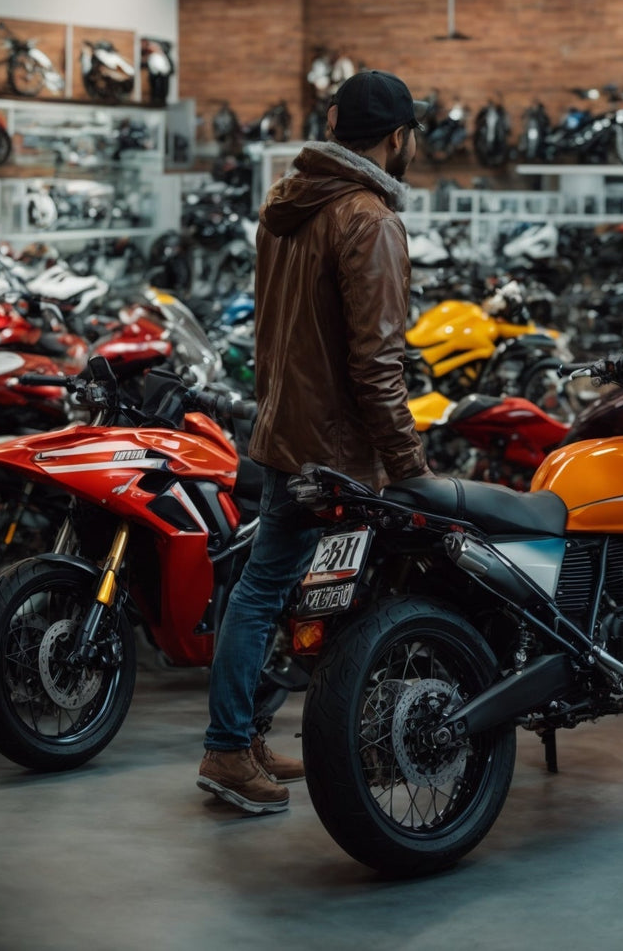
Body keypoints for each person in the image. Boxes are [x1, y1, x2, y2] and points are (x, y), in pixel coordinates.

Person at [197, 70, 432, 815]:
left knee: (266, 589)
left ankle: (239, 737)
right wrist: (410, 466)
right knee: (356, 591)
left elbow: (290, 332)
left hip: (286, 430)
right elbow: (374, 363)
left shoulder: (288, 206)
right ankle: (236, 747)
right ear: (397, 138)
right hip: (338, 454)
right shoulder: (369, 219)